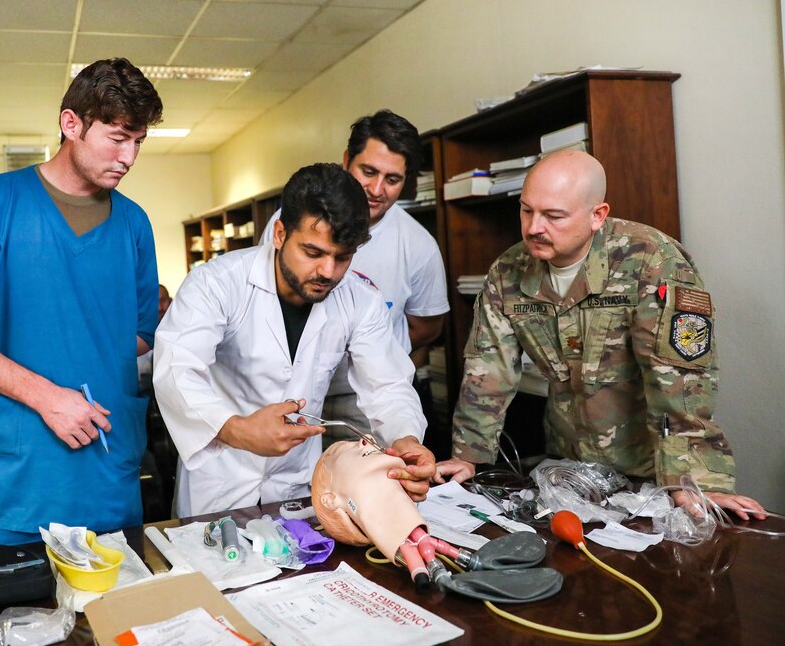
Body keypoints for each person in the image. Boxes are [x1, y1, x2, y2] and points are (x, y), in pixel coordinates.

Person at [437, 150, 766, 520]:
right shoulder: (509, 271)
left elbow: (680, 384)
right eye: (527, 210)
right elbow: (487, 372)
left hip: (655, 470)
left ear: (598, 215)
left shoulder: (650, 261)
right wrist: (469, 457)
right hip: (569, 468)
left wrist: (695, 482)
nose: (533, 227)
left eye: (553, 215)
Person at [0, 58, 163, 547]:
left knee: (112, 618)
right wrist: (48, 395)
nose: (128, 157)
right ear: (71, 123)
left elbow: (141, 333)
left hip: (107, 468)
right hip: (17, 471)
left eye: (138, 142)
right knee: (5, 618)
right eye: (117, 138)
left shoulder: (133, 224)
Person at [154, 163, 437, 517]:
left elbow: (388, 387)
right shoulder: (217, 282)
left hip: (296, 486)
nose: (328, 272)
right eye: (313, 253)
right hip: (220, 479)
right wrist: (237, 430)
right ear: (279, 234)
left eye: (342, 257)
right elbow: (175, 370)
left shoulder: (361, 301)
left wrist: (406, 439)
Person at [262, 111, 448, 449]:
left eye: (392, 179)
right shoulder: (293, 219)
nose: (377, 190)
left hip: (367, 398)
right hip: (293, 389)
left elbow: (427, 327)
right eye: (369, 171)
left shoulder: (419, 245)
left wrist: (371, 347)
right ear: (347, 160)